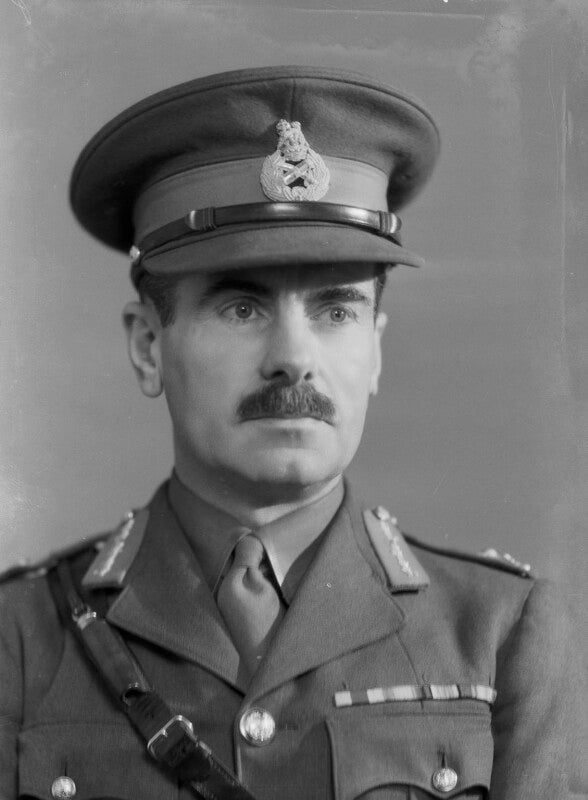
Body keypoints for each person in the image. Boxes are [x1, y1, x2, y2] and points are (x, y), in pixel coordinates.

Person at [0, 65, 579, 800]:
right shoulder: (21, 638)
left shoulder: (501, 633)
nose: (293, 358)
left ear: (375, 349)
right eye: (242, 308)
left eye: (336, 311)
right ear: (148, 346)